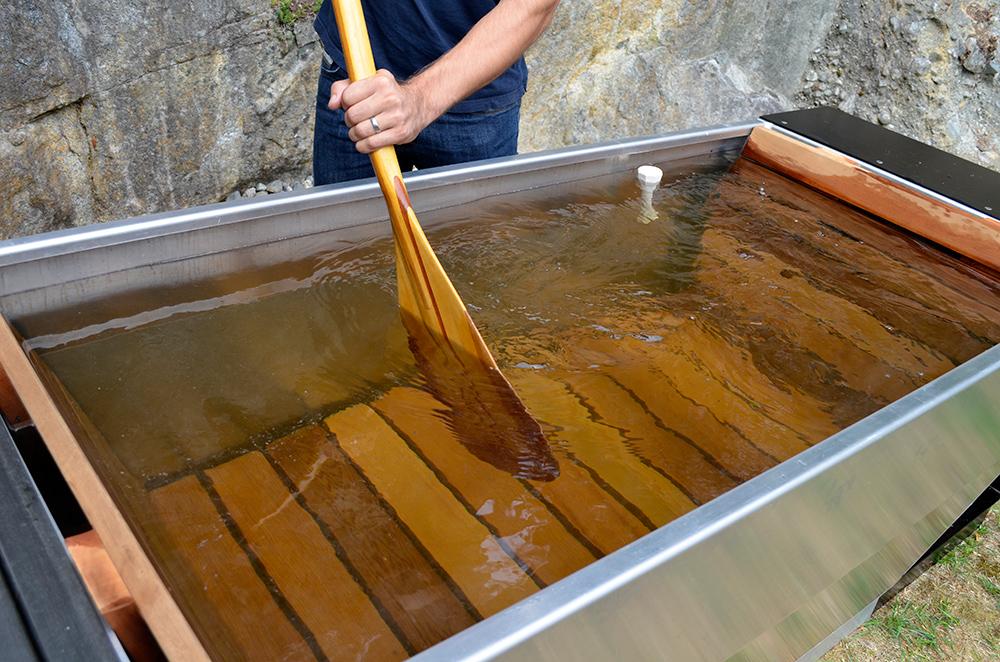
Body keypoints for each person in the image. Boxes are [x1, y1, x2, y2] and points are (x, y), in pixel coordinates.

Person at [312, 0, 559, 185]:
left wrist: (420, 101)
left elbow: (533, 5)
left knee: (476, 249)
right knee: (345, 247)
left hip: (472, 101)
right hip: (354, 78)